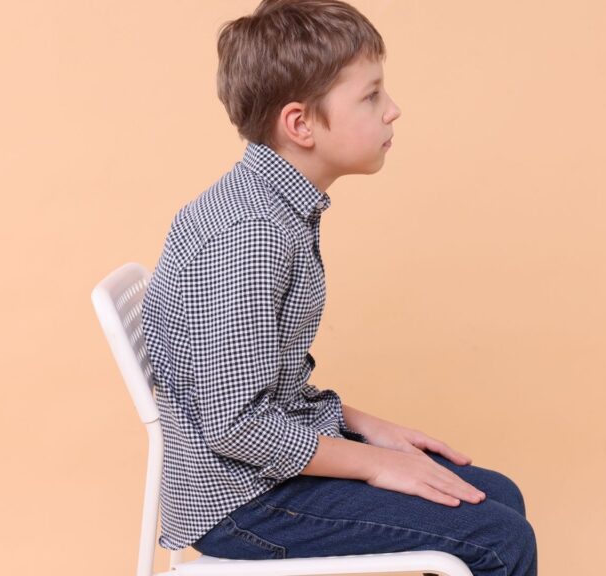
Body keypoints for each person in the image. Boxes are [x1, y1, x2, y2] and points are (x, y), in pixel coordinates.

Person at [141, 1, 537, 574]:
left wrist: (366, 428)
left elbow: (266, 386)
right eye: (371, 96)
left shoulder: (275, 206)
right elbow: (236, 425)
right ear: (300, 125)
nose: (393, 110)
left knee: (498, 496)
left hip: (262, 473)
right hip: (242, 502)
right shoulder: (250, 234)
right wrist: (375, 463)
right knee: (498, 539)